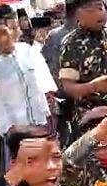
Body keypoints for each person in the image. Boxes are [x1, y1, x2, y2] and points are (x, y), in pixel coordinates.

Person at [59, 0, 107, 186]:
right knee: (98, 179)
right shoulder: (71, 43)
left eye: (101, 7)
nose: (100, 13)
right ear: (77, 14)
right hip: (92, 123)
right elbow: (68, 87)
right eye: (92, 9)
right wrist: (94, 86)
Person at [0, 8, 54, 176]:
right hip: (17, 129)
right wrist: (8, 128)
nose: (2, 39)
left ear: (10, 30)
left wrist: (49, 108)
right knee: (24, 173)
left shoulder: (28, 51)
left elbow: (45, 82)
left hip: (40, 122)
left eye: (4, 32)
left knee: (46, 168)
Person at [42, 0, 78, 148]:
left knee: (62, 132)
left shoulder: (52, 35)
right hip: (79, 93)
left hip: (59, 93)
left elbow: (44, 62)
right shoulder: (82, 35)